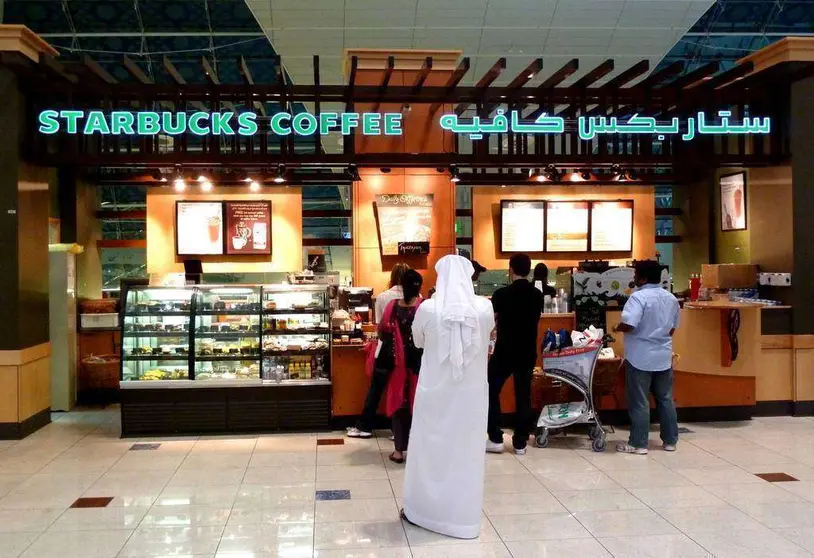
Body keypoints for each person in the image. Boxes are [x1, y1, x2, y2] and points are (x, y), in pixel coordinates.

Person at [401, 255, 495, 539]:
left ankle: (423, 511)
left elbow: (417, 341)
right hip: (471, 398)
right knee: (465, 454)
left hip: (434, 394)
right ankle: (462, 518)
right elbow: (489, 335)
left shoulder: (428, 308)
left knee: (428, 452)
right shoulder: (484, 307)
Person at [613, 260, 680, 455]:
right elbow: (672, 329)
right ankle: (670, 441)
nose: (633, 278)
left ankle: (638, 443)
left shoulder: (638, 298)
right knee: (665, 399)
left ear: (642, 278)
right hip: (663, 356)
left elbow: (630, 324)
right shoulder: (671, 298)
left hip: (640, 357)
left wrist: (618, 328)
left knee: (639, 401)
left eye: (635, 275)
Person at [487, 253, 544, 455]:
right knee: (523, 395)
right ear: (528, 270)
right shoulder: (537, 295)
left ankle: (495, 437)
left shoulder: (501, 295)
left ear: (511, 269)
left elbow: (492, 320)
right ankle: (520, 442)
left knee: (491, 389)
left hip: (504, 351)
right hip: (527, 352)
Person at [348, 262, 410, 439]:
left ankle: (365, 427)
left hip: (386, 349)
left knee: (376, 389)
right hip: (407, 351)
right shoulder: (416, 296)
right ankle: (399, 430)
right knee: (403, 390)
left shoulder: (383, 297)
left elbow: (379, 325)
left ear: (393, 277)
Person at [379, 269, 424, 463]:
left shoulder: (392, 306)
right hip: (420, 364)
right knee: (419, 404)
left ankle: (398, 451)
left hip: (398, 363)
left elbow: (382, 332)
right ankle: (417, 450)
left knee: (399, 403)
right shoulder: (424, 306)